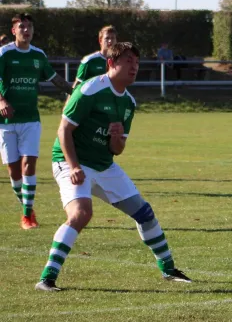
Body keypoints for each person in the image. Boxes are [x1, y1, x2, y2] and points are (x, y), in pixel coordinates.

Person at [35, 42, 191, 291]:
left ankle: (168, 269)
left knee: (144, 213)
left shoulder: (128, 103)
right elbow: (64, 130)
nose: (134, 67)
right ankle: (47, 278)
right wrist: (74, 167)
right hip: (70, 160)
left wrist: (116, 138)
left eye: (137, 63)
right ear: (111, 63)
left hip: (103, 165)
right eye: (128, 61)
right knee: (81, 214)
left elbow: (117, 150)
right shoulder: (91, 89)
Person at [0, 13, 72, 230]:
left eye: (29, 26)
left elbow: (57, 81)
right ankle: (27, 207)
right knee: (13, 171)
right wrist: (1, 100)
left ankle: (26, 216)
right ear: (14, 31)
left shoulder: (38, 55)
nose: (26, 30)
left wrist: (79, 92)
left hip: (31, 119)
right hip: (6, 121)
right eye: (22, 26)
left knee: (28, 164)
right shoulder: (4, 53)